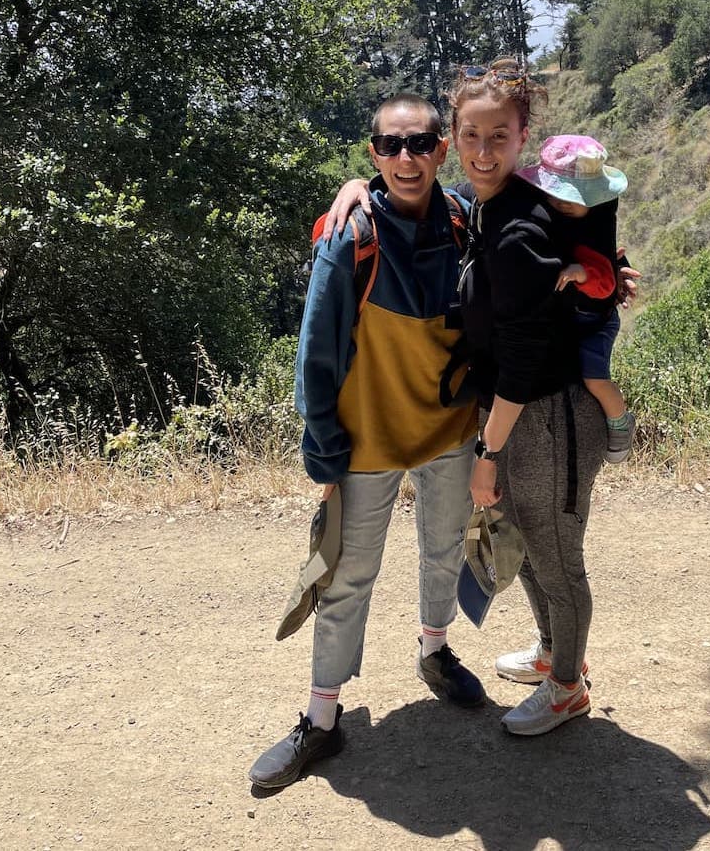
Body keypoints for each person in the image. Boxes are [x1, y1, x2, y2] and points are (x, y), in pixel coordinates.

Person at [248, 94, 485, 791]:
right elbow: (316, 353)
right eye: (390, 146)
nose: (405, 158)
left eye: (420, 144)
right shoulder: (350, 233)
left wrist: (601, 271)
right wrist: (322, 452)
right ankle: (321, 721)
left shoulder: (465, 221)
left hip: (448, 428)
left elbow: (548, 216)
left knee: (445, 550)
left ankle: (434, 653)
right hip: (366, 437)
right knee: (347, 577)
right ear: (372, 152)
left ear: (442, 149)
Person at [451, 58, 609, 735]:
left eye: (498, 137)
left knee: (556, 558)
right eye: (470, 136)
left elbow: (521, 361)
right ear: (454, 137)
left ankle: (568, 688)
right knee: (525, 541)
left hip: (547, 416)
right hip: (517, 412)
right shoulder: (492, 207)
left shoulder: (515, 229)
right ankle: (551, 657)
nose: (483, 152)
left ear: (522, 139)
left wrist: (487, 455)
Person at [521, 134, 637, 464]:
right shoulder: (569, 221)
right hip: (574, 320)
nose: (561, 204)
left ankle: (619, 422)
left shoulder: (591, 232)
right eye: (556, 196)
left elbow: (604, 285)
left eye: (573, 198)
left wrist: (580, 272)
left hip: (595, 324)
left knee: (595, 379)